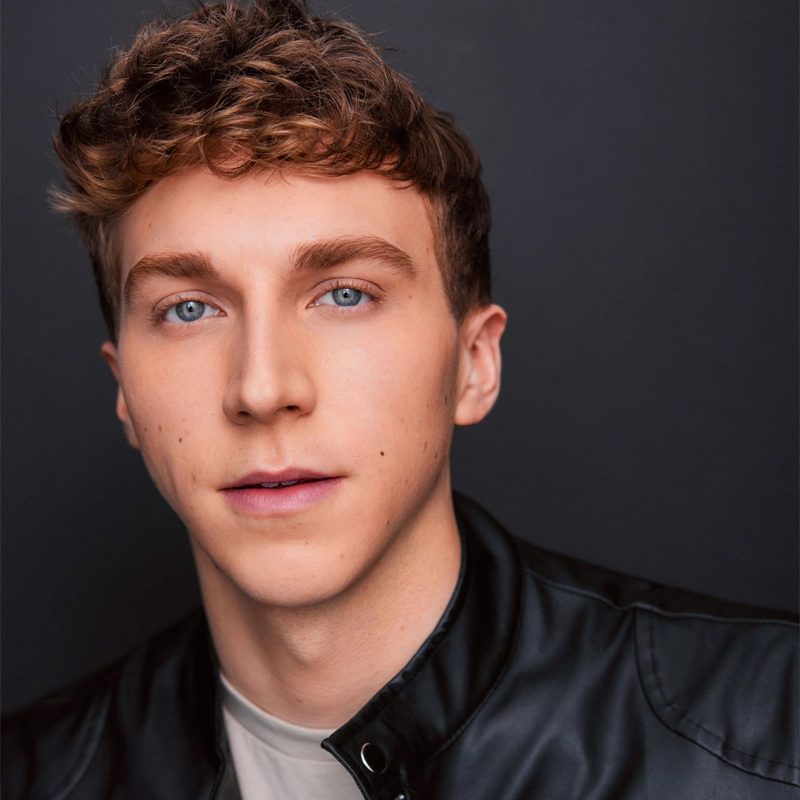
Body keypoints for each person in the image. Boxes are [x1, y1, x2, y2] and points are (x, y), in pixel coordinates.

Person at [2, 1, 797, 798]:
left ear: (474, 364)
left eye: (345, 294)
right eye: (188, 309)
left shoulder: (769, 735)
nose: (263, 388)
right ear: (125, 393)